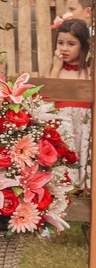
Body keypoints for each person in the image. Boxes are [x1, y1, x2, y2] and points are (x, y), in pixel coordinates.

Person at [48, 18, 91, 194]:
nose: (64, 48)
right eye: (60, 43)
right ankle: (65, 191)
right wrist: (56, 68)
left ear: (83, 46)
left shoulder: (89, 71)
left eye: (71, 44)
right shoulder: (56, 70)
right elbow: (48, 96)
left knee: (84, 154)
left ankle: (86, 189)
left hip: (84, 128)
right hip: (63, 125)